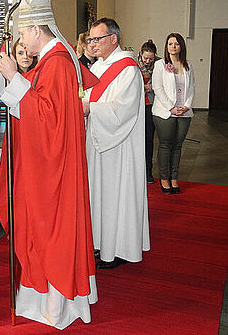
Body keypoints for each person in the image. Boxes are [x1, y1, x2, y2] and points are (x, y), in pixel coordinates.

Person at [0, 0, 98, 330]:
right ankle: (41, 298)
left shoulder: (58, 63)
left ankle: (56, 303)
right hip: (48, 165)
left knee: (50, 232)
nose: (21, 39)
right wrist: (1, 69)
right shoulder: (49, 62)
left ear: (35, 29)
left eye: (22, 32)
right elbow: (27, 104)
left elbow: (47, 120)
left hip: (53, 171)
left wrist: (15, 78)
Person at [82, 17, 150, 269]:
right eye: (90, 39)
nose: (92, 44)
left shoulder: (128, 69)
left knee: (117, 196)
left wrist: (90, 108)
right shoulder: (98, 67)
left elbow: (124, 110)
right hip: (98, 141)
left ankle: (119, 248)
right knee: (99, 195)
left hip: (119, 146)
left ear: (113, 39)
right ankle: (101, 243)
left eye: (97, 39)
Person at [151, 33, 195, 194]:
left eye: (176, 43)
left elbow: (191, 88)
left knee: (178, 146)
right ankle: (164, 178)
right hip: (164, 112)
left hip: (184, 112)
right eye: (170, 44)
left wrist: (186, 106)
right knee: (165, 145)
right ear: (166, 46)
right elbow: (158, 88)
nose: (173, 46)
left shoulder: (188, 65)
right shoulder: (161, 65)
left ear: (181, 46)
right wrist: (171, 107)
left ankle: (174, 178)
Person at [137, 39, 160, 183]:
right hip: (136, 105)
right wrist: (143, 87)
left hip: (150, 105)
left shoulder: (159, 64)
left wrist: (151, 87)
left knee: (148, 139)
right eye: (145, 58)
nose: (147, 61)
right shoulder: (134, 64)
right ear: (141, 54)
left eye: (150, 59)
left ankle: (148, 171)